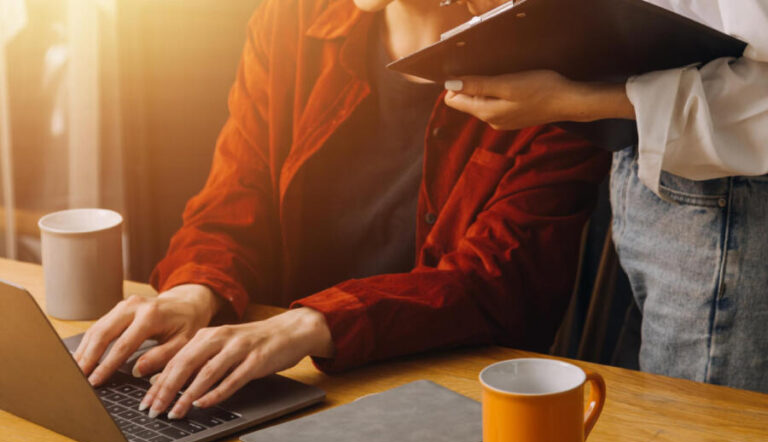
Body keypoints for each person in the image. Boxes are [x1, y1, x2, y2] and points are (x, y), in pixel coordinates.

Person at [74, 0, 610, 419]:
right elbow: (235, 195)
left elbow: (498, 288)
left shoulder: (557, 78)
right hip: (277, 377)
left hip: (450, 398)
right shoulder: (290, 20)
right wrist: (196, 290)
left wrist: (311, 325)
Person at [444, 0, 768, 392]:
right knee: (660, 413)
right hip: (648, 166)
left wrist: (576, 102)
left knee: (697, 432)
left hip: (726, 190)